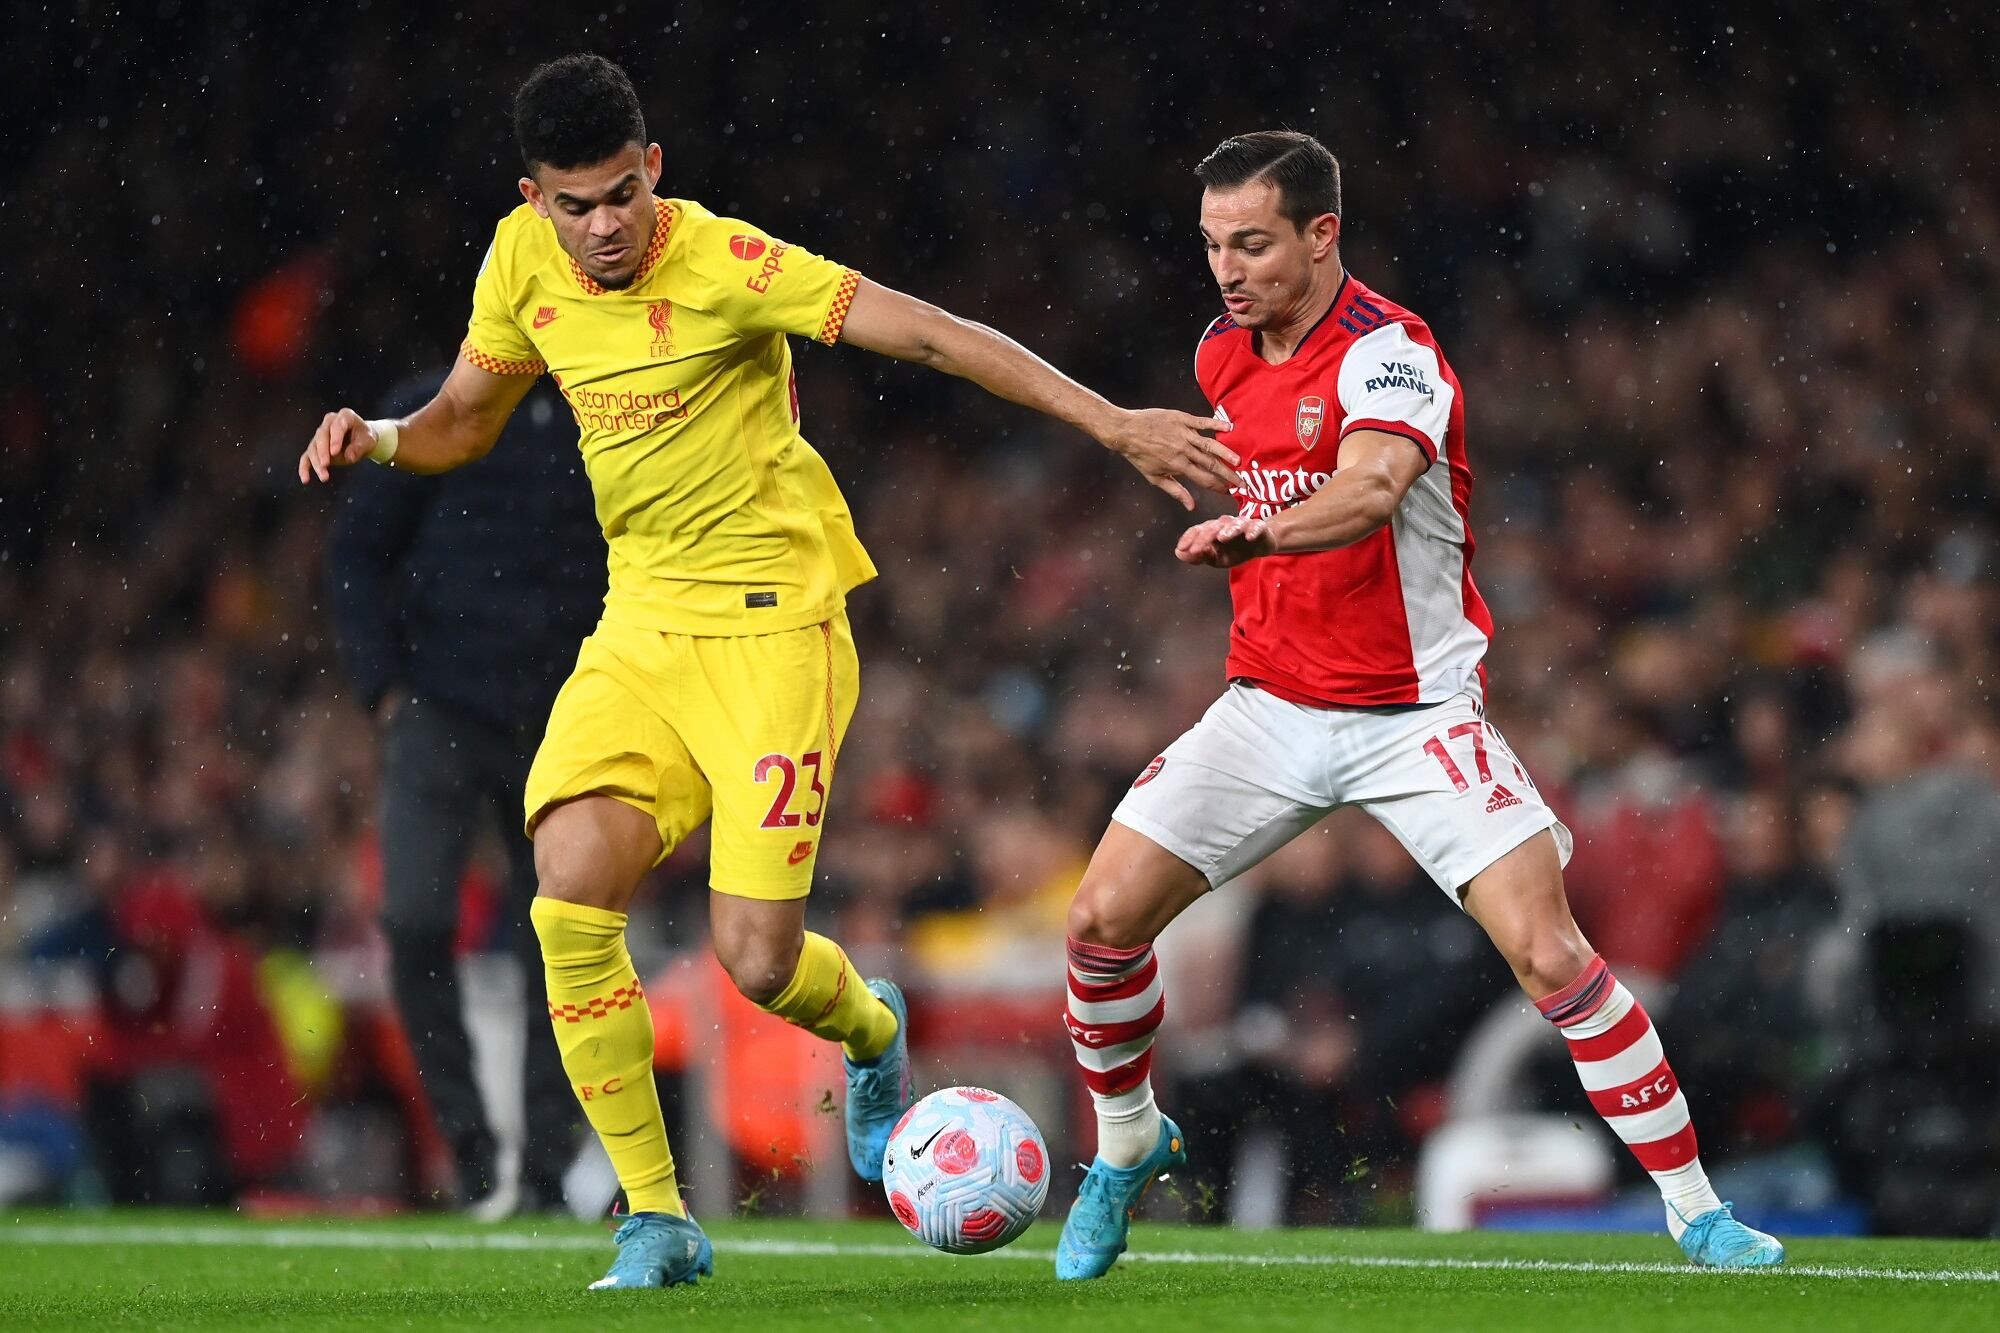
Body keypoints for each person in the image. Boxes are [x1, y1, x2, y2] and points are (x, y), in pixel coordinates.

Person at [297, 54, 1237, 1291]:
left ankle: (870, 1027)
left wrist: (1110, 422)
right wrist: (377, 436)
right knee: (566, 891)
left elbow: (932, 333)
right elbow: (466, 418)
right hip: (639, 626)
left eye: (622, 194)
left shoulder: (731, 263)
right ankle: (655, 1216)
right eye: (575, 205)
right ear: (533, 200)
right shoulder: (518, 261)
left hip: (774, 630)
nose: (603, 225)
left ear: (654, 170)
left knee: (755, 960)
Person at [1054, 131, 1785, 1277]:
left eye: (1251, 244)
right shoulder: (1218, 353)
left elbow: (1369, 487)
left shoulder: (1390, 353)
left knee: (1548, 954)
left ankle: (1696, 1210)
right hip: (1267, 708)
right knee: (1098, 924)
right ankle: (1127, 1143)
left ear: (1321, 235)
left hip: (1414, 714)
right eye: (1210, 245)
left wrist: (1259, 533)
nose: (1226, 271)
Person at [327, 371, 602, 1217]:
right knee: (412, 918)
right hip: (441, 706)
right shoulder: (436, 401)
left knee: (563, 936)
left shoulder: (604, 402)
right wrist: (382, 685)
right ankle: (473, 1151)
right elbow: (355, 552)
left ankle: (545, 1171)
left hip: (565, 711)